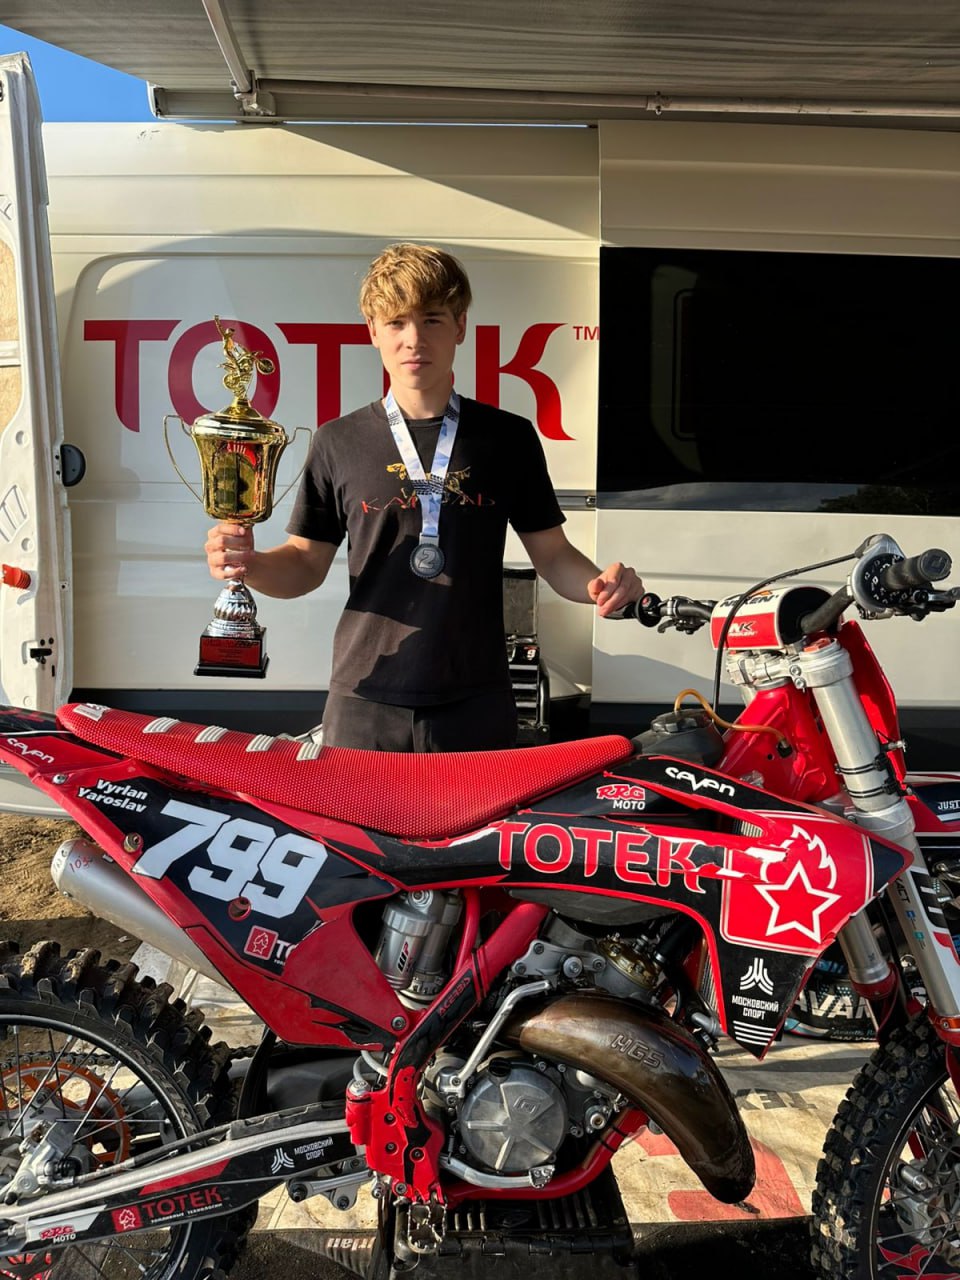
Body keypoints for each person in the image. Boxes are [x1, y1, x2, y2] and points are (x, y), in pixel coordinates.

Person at [205, 243, 644, 751]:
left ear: (460, 326)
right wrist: (251, 564)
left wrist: (601, 586)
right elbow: (305, 564)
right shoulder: (338, 441)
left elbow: (553, 554)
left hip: (475, 700)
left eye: (432, 319)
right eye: (396, 322)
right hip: (365, 698)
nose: (414, 339)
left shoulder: (507, 438)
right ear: (373, 331)